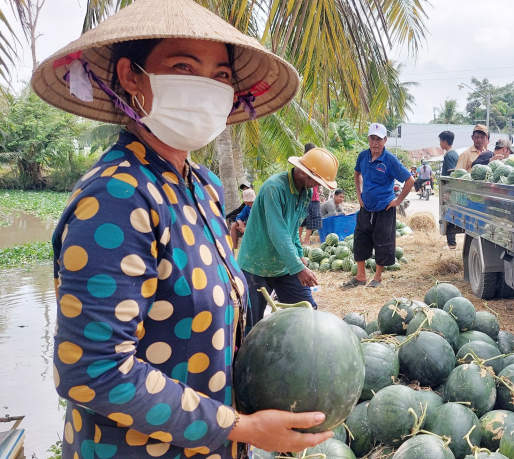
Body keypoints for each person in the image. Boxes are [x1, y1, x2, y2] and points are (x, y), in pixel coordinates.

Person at [35, 0, 332, 457]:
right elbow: (92, 371)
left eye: (221, 76)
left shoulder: (204, 188)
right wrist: (242, 428)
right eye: (182, 66)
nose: (207, 89)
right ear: (132, 77)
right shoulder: (117, 197)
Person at [238, 147, 339, 318]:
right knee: (251, 324)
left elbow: (293, 230)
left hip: (285, 265)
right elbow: (277, 231)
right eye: (317, 181)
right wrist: (298, 268)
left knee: (307, 314)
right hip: (256, 266)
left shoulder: (305, 192)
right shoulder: (274, 188)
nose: (318, 186)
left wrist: (299, 256)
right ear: (305, 174)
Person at [342, 123, 414, 289]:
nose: (375, 142)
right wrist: (359, 195)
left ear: (385, 140)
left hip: (384, 208)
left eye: (379, 139)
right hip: (366, 207)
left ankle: (378, 277)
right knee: (360, 239)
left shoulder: (390, 160)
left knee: (382, 241)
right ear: (368, 139)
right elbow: (357, 174)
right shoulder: (363, 156)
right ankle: (360, 276)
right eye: (372, 138)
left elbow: (409, 180)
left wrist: (398, 201)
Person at [298, 142, 321, 245]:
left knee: (305, 220)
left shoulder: (315, 163)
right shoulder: (303, 163)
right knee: (304, 219)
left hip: (312, 195)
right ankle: (301, 239)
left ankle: (304, 240)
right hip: (308, 197)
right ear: (305, 152)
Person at [439, 131, 459, 250]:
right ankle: (451, 243)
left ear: (445, 141)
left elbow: (452, 174)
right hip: (450, 191)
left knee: (449, 216)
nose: (440, 143)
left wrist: (448, 192)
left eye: (440, 141)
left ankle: (451, 243)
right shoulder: (453, 154)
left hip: (450, 192)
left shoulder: (450, 155)